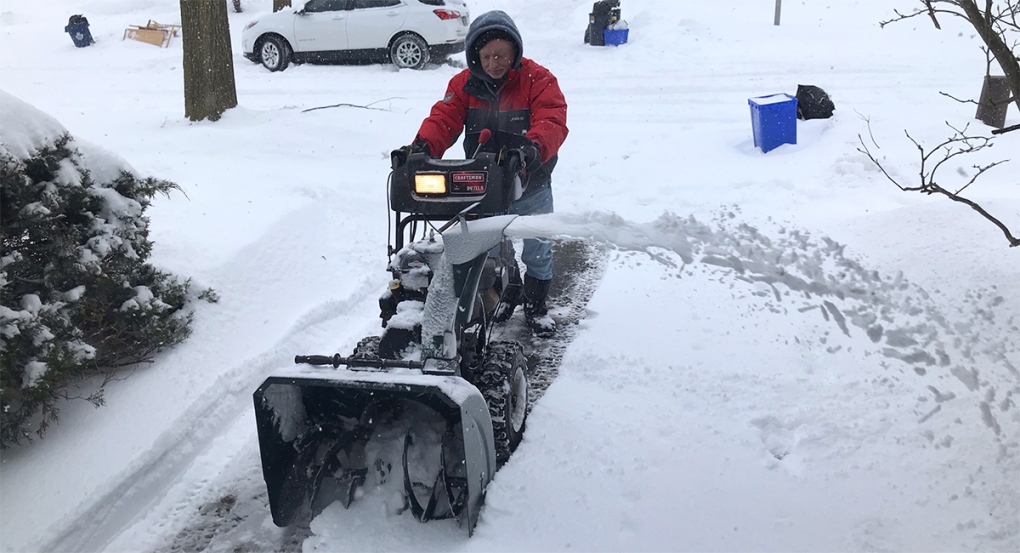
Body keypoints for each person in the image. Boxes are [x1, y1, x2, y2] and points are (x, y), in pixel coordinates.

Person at [396, 10, 568, 336]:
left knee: (537, 249)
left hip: (529, 182)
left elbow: (553, 120)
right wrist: (421, 148)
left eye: (501, 55)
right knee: (488, 251)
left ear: (515, 52)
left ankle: (536, 307)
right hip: (483, 186)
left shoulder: (539, 79)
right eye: (486, 56)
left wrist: (531, 149)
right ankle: (507, 287)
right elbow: (443, 119)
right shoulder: (463, 85)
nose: (493, 63)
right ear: (475, 55)